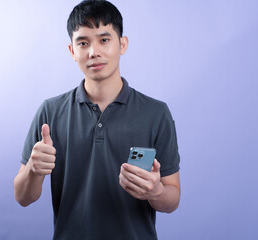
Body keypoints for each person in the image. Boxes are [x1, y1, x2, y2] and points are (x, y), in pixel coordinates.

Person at [13, 0, 180, 239]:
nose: (94, 52)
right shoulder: (50, 113)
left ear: (122, 44)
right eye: (83, 43)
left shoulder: (156, 113)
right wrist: (33, 169)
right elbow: (22, 197)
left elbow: (172, 200)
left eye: (104, 40)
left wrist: (155, 191)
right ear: (72, 51)